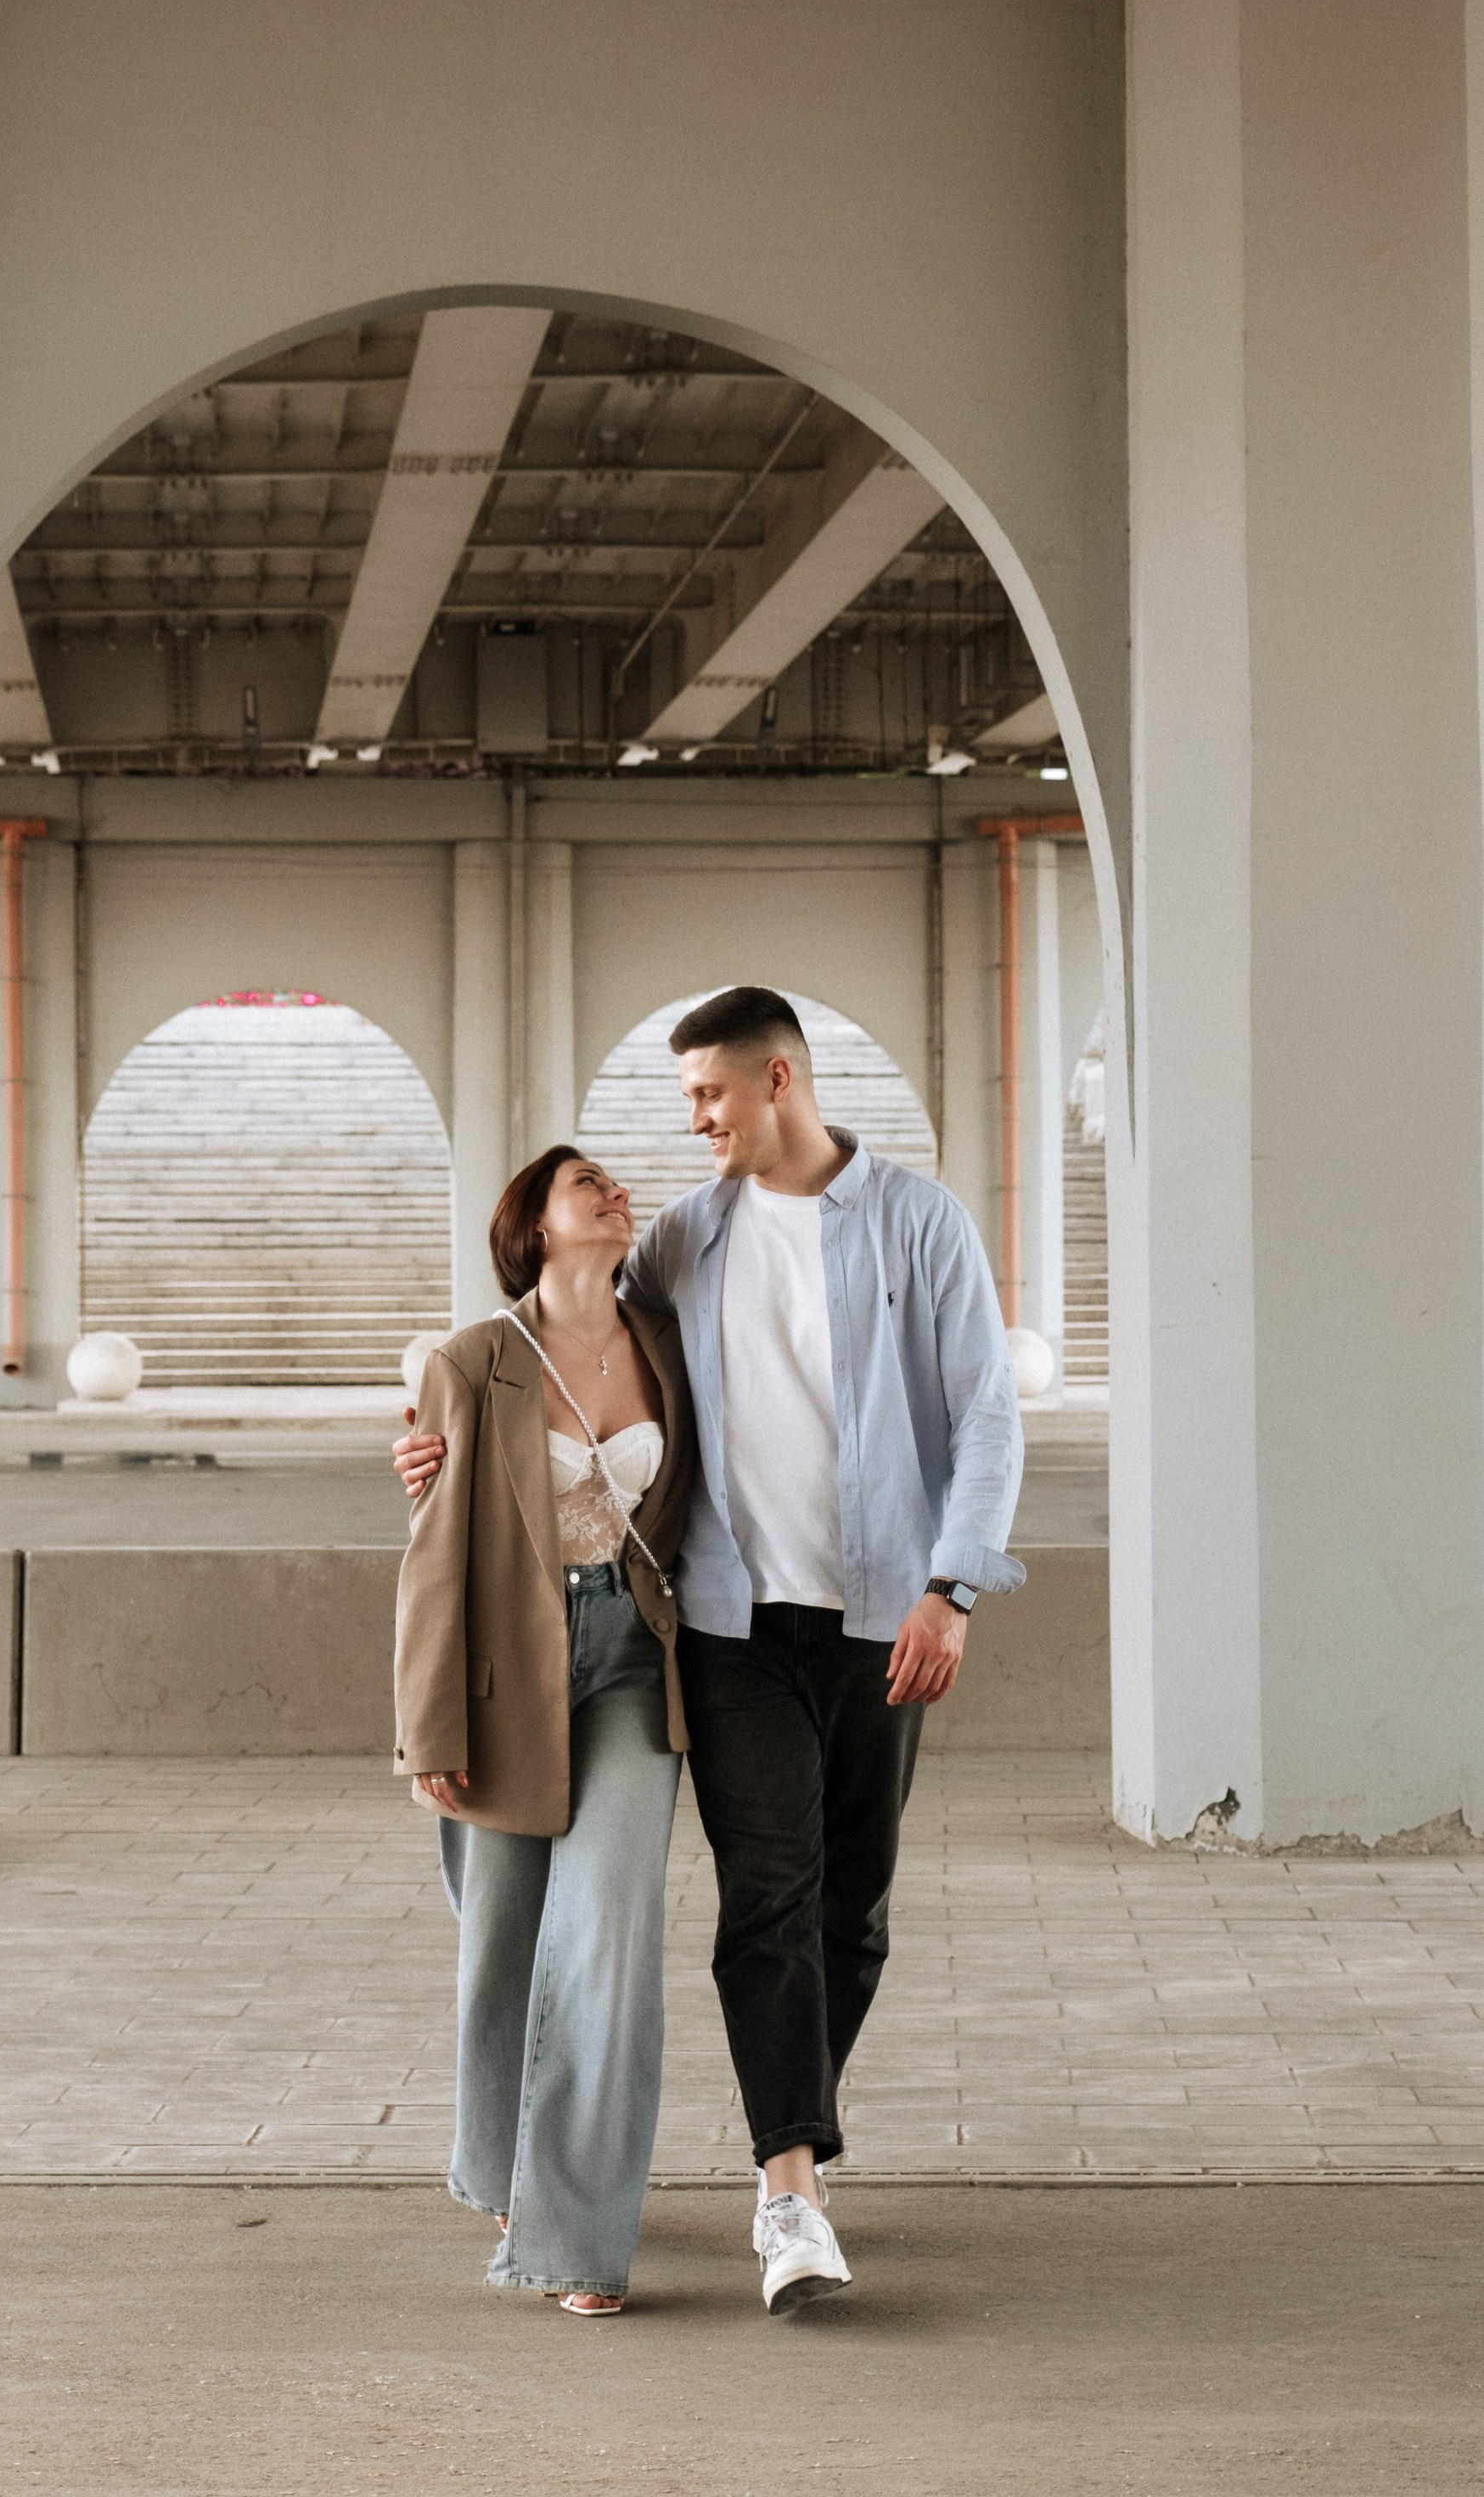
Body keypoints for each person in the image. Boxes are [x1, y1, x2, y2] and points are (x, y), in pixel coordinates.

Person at [397, 987, 1024, 2315]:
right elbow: (535, 1358)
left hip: (876, 1621)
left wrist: (951, 1588)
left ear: (780, 1079)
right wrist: (436, 1454)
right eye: (685, 1102)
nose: (692, 1124)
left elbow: (986, 1420)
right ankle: (786, 2181)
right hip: (727, 1628)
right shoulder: (687, 1239)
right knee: (762, 1901)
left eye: (709, 1097)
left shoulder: (918, 1223)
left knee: (851, 1912)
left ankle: (792, 2120)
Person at [394, 1144, 698, 2316]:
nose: (619, 1195)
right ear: (536, 1226)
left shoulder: (673, 1345)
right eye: (591, 1188)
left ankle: (575, 2231)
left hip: (635, 1665)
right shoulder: (471, 1361)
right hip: (500, 1675)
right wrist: (428, 1732)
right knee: (503, 1947)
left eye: (618, 1185)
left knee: (608, 1939)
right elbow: (432, 1562)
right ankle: (504, 2167)